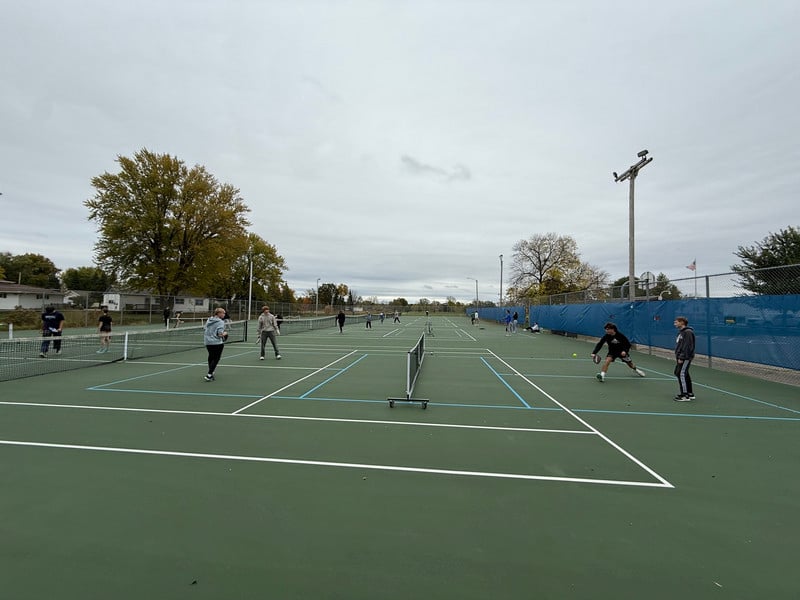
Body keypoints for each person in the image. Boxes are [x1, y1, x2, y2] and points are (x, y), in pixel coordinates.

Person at [674, 316, 696, 401]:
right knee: (681, 373)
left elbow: (687, 346)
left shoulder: (688, 332)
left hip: (685, 357)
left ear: (682, 322)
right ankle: (690, 393)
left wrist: (682, 357)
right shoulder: (681, 332)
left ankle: (684, 395)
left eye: (676, 322)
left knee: (681, 373)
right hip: (681, 356)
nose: (675, 324)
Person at [203, 307, 228, 381]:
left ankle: (211, 371)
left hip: (208, 342)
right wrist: (225, 333)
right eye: (223, 313)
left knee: (211, 356)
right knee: (216, 358)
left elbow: (205, 328)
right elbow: (219, 334)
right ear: (219, 313)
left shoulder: (209, 320)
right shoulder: (220, 322)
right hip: (216, 343)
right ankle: (209, 375)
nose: (224, 314)